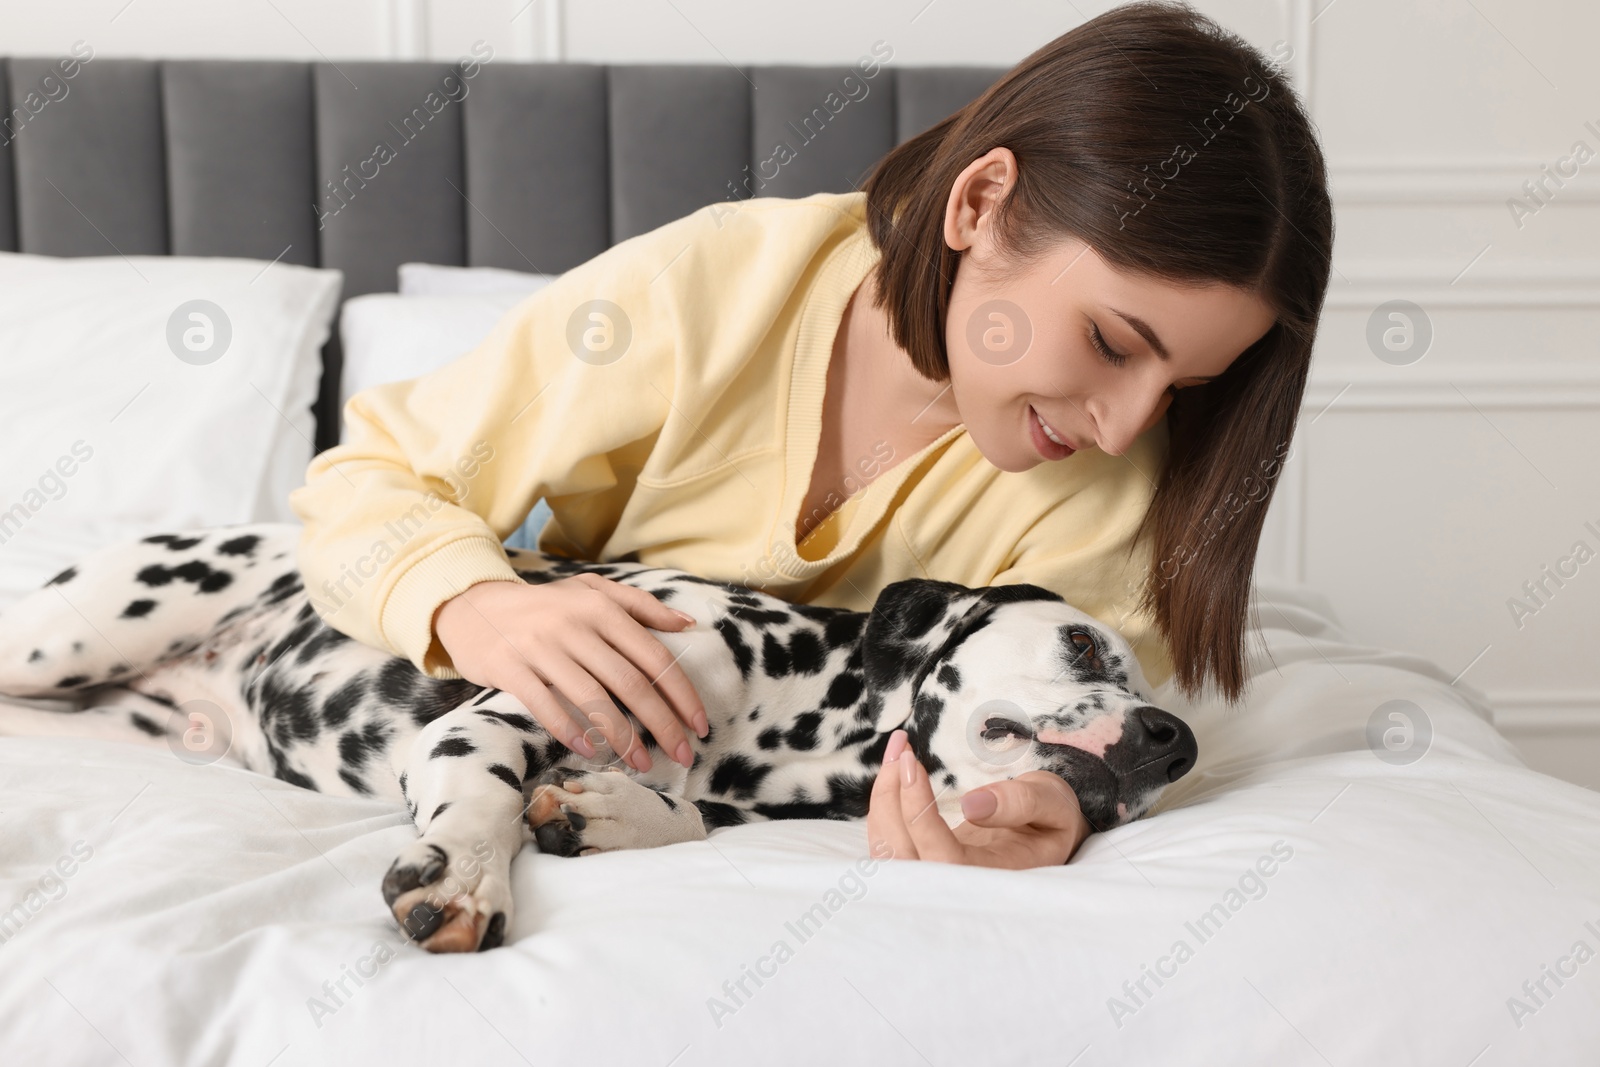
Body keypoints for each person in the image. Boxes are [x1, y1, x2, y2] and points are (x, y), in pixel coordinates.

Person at [288, 0, 1332, 871]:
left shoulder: (1113, 486)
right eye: (1108, 340)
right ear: (980, 203)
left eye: (1183, 384)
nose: (1127, 422)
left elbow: (1085, 726)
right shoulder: (712, 289)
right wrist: (474, 605)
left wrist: (1056, 811)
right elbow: (367, 479)